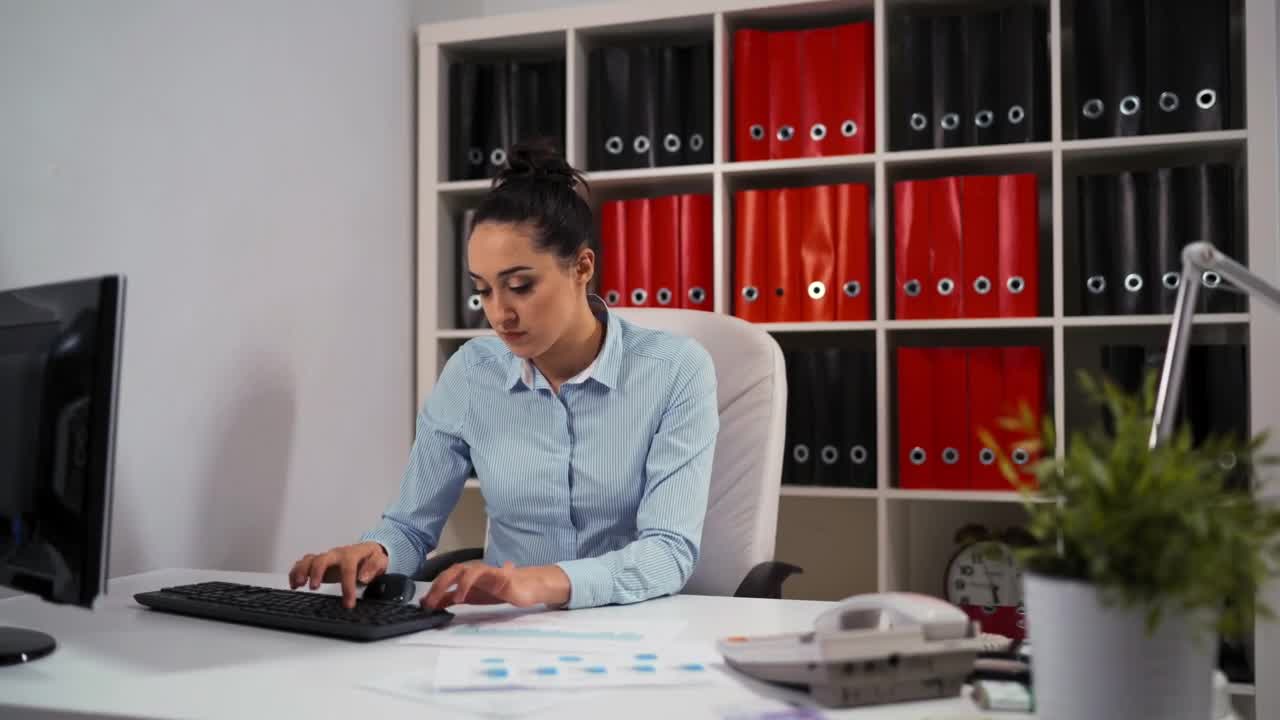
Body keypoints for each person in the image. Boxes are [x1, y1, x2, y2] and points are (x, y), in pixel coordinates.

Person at [288, 141, 720, 611]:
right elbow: (411, 527)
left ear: (582, 267)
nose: (499, 313)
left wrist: (540, 583)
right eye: (483, 291)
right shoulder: (472, 373)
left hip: (633, 629)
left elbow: (669, 552)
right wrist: (376, 553)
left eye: (520, 286)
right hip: (502, 631)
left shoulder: (677, 371)